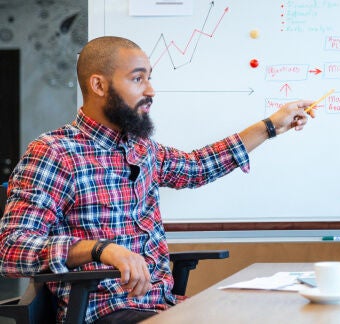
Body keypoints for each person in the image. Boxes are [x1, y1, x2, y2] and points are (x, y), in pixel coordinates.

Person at [0, 36, 315, 323]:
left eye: (149, 78)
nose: (150, 90)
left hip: (161, 305)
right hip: (103, 312)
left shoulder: (141, 148)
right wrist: (99, 249)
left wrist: (271, 126)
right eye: (138, 79)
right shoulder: (54, 152)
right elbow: (13, 249)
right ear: (98, 85)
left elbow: (196, 166)